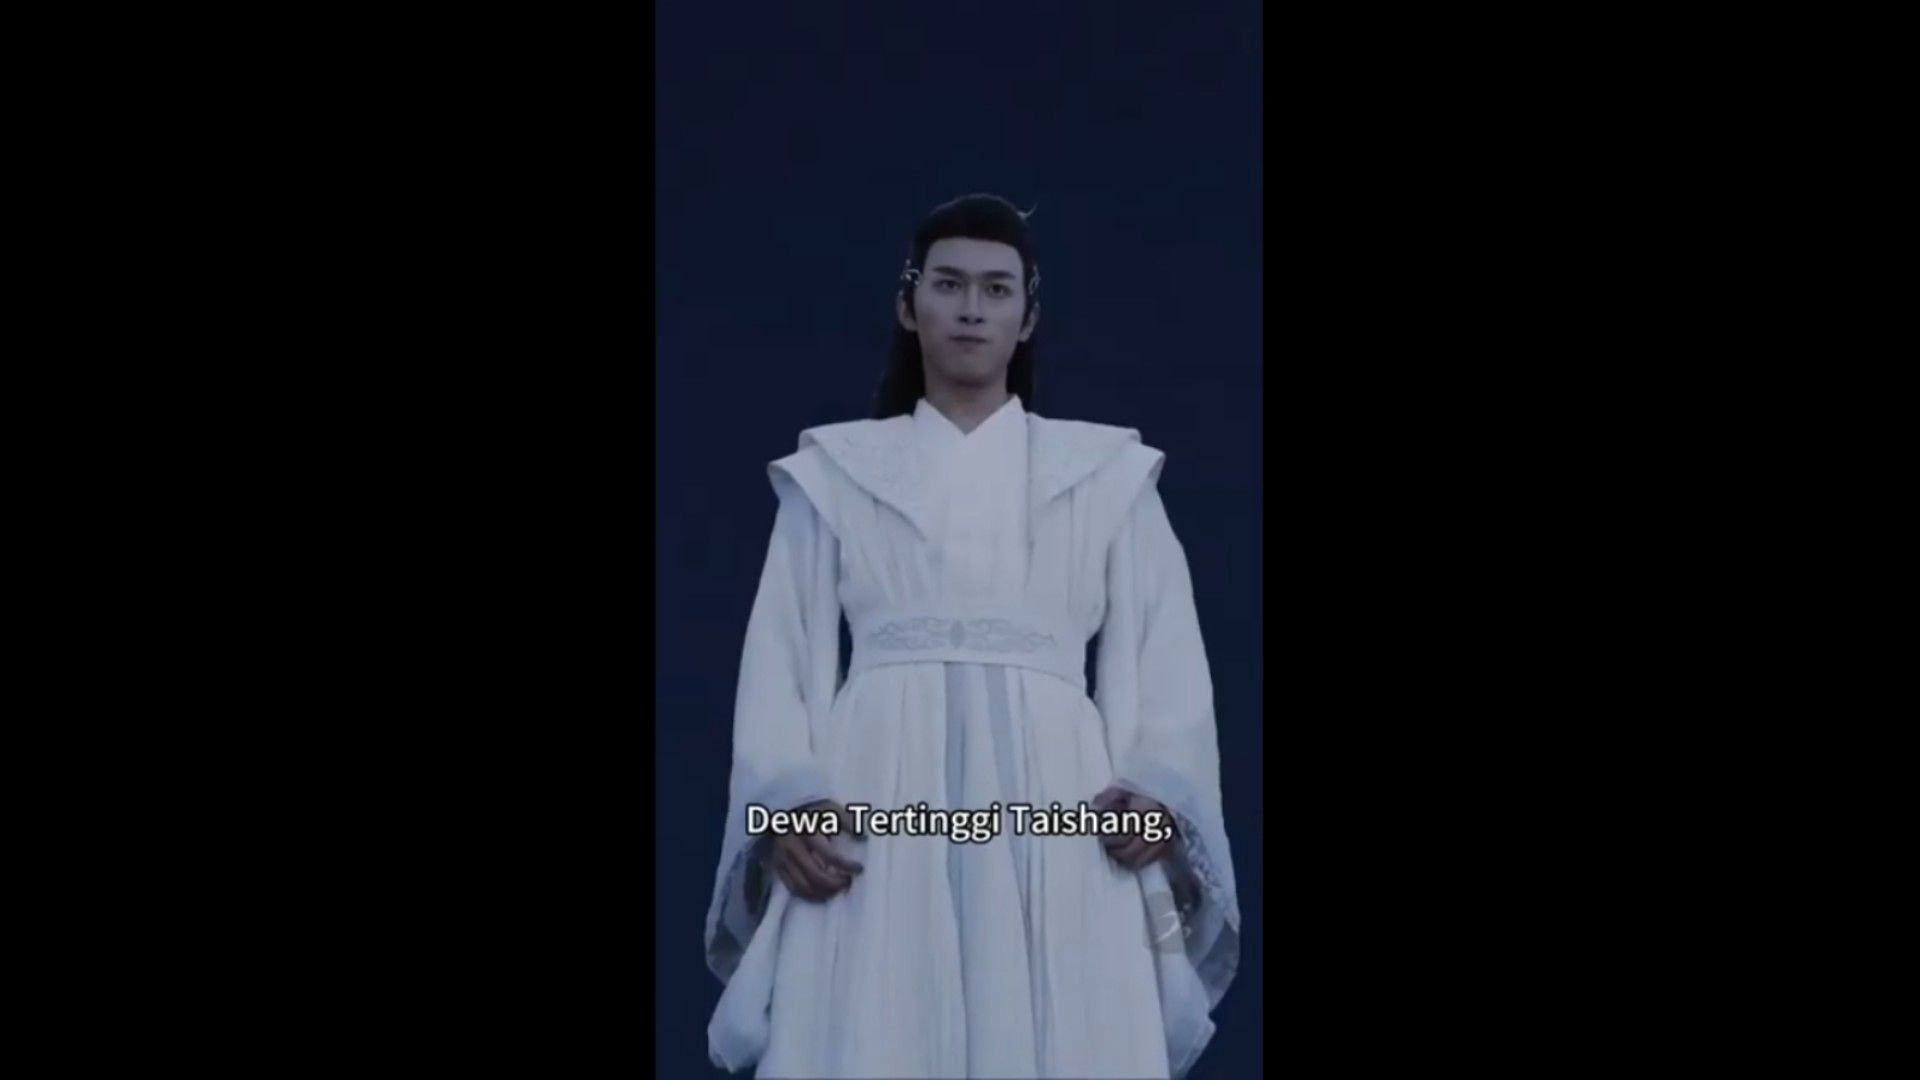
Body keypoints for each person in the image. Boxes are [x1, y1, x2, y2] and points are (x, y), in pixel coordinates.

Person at [705, 193, 1239, 1078]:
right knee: (876, 1011)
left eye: (997, 289)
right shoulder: (837, 472)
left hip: (1061, 797)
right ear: (908, 304)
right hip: (877, 790)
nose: (970, 309)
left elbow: (1166, 647)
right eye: (948, 285)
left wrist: (1159, 789)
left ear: (1027, 317)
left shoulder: (1104, 472)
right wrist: (786, 805)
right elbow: (778, 653)